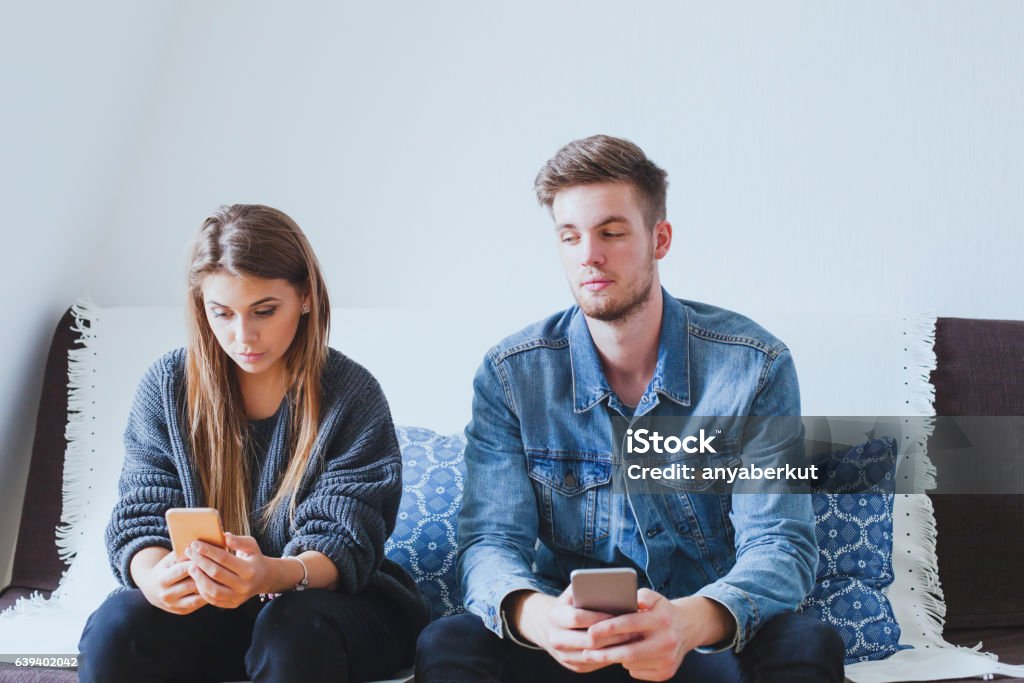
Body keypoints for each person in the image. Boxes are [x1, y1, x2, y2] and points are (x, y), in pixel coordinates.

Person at [416, 136, 845, 682]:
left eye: (611, 233)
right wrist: (542, 617)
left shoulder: (754, 367)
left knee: (806, 644)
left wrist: (690, 622)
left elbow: (780, 544)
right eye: (570, 237)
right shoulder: (511, 375)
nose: (589, 255)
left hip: (703, 637)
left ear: (659, 239)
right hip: (567, 646)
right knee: (449, 642)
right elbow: (490, 543)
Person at [78, 204, 428, 682]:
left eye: (265, 311)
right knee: (117, 626)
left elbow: (346, 537)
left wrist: (271, 575)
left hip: (333, 612)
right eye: (221, 313)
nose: (243, 336)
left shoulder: (351, 395)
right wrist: (155, 578)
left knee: (290, 627)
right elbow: (141, 515)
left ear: (305, 297)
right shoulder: (167, 387)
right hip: (214, 615)